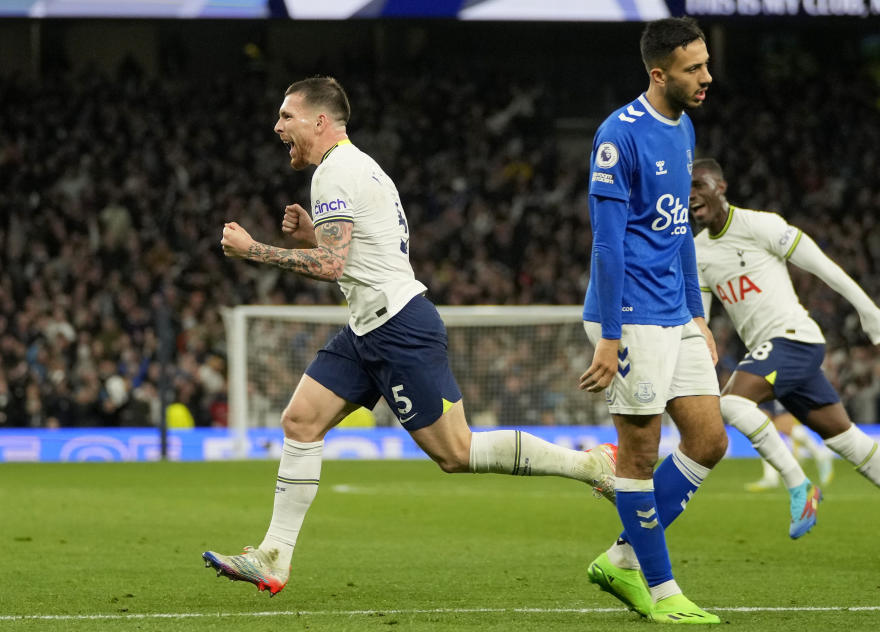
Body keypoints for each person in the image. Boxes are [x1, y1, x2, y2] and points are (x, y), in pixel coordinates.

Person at [202, 76, 618, 596]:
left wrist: (254, 250)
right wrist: (314, 235)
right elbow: (361, 254)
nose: (277, 126)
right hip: (365, 327)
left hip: (399, 326)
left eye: (287, 116)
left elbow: (332, 266)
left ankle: (591, 464)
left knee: (455, 453)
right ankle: (273, 557)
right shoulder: (358, 167)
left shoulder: (336, 172)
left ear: (319, 121)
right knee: (301, 420)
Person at [690, 157, 880, 562]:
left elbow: (821, 265)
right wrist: (698, 345)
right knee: (844, 438)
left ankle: (797, 484)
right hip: (774, 350)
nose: (690, 197)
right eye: (684, 192)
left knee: (734, 403)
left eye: (697, 186)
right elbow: (700, 316)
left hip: (793, 338)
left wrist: (867, 308)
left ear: (720, 187)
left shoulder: (761, 225)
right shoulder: (697, 252)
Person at [577, 18, 726, 625]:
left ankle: (620, 556)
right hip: (630, 317)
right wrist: (610, 337)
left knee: (710, 442)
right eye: (695, 69)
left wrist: (698, 312)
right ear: (658, 73)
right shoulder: (619, 135)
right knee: (638, 459)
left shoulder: (685, 127)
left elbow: (679, 232)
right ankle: (662, 592)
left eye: (707, 64)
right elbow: (607, 246)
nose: (707, 77)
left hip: (674, 311)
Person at [745, 404, 835, 492]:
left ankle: (819, 454)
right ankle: (770, 478)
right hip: (763, 394)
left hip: (776, 391)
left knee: (786, 426)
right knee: (762, 427)